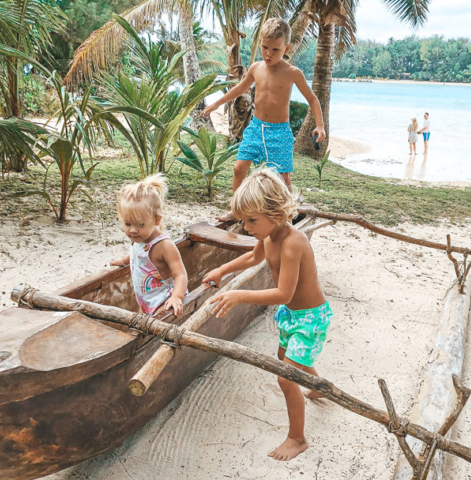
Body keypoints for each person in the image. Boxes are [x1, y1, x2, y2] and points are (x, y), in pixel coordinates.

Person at [202, 168, 333, 462]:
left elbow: (284, 293)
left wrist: (239, 296)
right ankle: (318, 386)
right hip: (292, 314)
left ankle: (297, 438)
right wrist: (222, 270)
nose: (246, 228)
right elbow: (253, 257)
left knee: (286, 378)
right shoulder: (268, 235)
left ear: (275, 212)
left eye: (251, 220)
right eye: (243, 221)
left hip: (310, 318)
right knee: (284, 357)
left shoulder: (293, 242)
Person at [201, 18, 326, 194]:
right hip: (256, 127)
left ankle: (287, 212)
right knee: (238, 169)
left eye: (276, 50)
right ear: (260, 43)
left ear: (286, 48)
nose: (269, 54)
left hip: (279, 132)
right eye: (265, 47)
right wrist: (215, 104)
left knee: (283, 178)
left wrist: (320, 126)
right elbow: (239, 89)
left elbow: (312, 99)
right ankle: (236, 210)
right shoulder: (256, 68)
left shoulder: (293, 73)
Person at [110, 174, 188, 317]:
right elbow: (136, 253)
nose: (132, 230)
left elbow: (180, 274)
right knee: (141, 327)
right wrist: (124, 261)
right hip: (145, 301)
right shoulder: (140, 238)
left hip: (164, 301)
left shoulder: (164, 246)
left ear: (157, 220)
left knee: (158, 327)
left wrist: (177, 296)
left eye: (140, 224)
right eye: (127, 224)